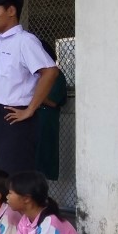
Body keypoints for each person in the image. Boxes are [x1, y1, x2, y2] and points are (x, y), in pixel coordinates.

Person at [0, 0, 59, 174]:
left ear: (11, 11)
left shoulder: (25, 41)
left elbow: (50, 72)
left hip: (14, 114)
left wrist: (30, 109)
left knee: (15, 174)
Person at [36, 39, 68, 182]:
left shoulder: (56, 74)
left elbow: (54, 101)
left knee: (44, 157)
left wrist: (33, 96)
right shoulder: (32, 74)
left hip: (45, 119)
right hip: (30, 120)